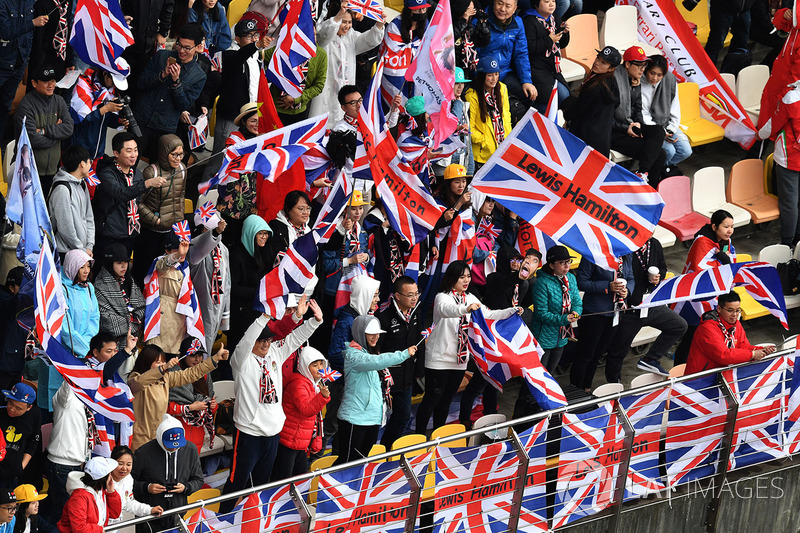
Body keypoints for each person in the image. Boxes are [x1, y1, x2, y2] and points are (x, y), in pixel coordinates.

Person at [218, 297, 323, 514]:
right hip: (249, 433)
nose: (266, 344)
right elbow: (247, 340)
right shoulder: (241, 359)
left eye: (268, 340)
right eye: (261, 341)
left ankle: (256, 518)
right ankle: (223, 518)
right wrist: (264, 317)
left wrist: (314, 321)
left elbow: (294, 338)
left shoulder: (275, 351)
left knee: (263, 483)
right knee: (237, 482)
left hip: (273, 433)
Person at [416, 261, 520, 434]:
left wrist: (511, 311)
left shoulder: (470, 297)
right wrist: (466, 308)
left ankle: (437, 436)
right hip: (439, 359)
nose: (466, 280)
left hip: (460, 359)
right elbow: (447, 310)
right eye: (461, 277)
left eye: (468, 276)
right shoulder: (442, 297)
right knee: (432, 399)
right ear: (451, 278)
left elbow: (488, 314)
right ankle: (419, 437)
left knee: (446, 400)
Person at [605, 238, 687, 381]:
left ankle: (650, 359)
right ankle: (614, 387)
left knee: (679, 325)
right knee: (618, 352)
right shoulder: (625, 245)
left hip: (650, 304)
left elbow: (662, 266)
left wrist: (658, 277)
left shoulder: (654, 243)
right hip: (630, 308)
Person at [336, 315, 416, 464]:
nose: (375, 337)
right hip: (355, 418)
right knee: (347, 462)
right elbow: (377, 362)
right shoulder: (354, 356)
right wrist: (404, 354)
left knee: (361, 460)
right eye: (371, 333)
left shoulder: (373, 352)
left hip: (372, 418)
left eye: (377, 333)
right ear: (360, 332)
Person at [203, 18, 271, 183]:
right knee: (221, 157)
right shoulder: (229, 55)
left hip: (249, 117)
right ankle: (206, 192)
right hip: (231, 117)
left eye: (255, 35)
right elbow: (238, 58)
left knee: (242, 159)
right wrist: (255, 45)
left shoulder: (257, 58)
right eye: (248, 36)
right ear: (238, 39)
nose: (253, 39)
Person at [127, 343, 228, 450]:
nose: (162, 364)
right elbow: (139, 383)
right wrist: (165, 367)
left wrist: (215, 359)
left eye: (163, 361)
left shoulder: (165, 378)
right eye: (158, 362)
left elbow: (190, 374)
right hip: (141, 440)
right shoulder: (135, 378)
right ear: (146, 362)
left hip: (161, 438)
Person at [323, 275, 381, 453]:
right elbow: (335, 353)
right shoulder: (348, 321)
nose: (378, 299)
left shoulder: (361, 316)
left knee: (342, 429)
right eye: (375, 295)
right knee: (332, 425)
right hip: (342, 383)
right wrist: (354, 369)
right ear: (364, 295)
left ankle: (337, 458)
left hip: (352, 383)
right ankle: (314, 459)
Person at [133, 23, 207, 162]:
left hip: (165, 128)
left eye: (187, 47)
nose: (182, 51)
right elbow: (141, 83)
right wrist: (162, 75)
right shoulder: (162, 57)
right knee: (129, 164)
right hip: (142, 119)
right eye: (179, 45)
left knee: (158, 170)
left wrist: (176, 83)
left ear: (197, 47)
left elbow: (183, 105)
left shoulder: (199, 76)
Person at [673, 209, 736, 365]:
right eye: (726, 227)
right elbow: (700, 269)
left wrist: (724, 259)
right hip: (694, 296)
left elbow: (731, 264)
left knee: (702, 335)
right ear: (714, 227)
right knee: (691, 335)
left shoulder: (725, 241)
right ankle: (680, 368)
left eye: (731, 227)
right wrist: (723, 261)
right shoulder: (702, 241)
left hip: (712, 296)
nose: (730, 231)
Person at [94, 132, 167, 258]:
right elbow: (120, 193)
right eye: (129, 151)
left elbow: (138, 200)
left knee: (123, 271)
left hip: (130, 232)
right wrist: (147, 183)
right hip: (111, 233)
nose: (134, 155)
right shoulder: (107, 173)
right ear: (116, 153)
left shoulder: (136, 173)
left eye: (136, 150)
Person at [312, 0, 385, 125]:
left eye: (350, 22)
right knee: (321, 124)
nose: (347, 26)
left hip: (344, 91)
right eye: (343, 22)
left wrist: (379, 24)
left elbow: (368, 40)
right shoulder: (325, 33)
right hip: (326, 91)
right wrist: (340, 14)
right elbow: (325, 34)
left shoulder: (351, 36)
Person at [571, 253, 634, 391]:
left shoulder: (627, 255)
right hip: (595, 312)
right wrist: (607, 286)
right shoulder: (592, 255)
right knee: (586, 353)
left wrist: (627, 290)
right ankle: (576, 389)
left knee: (598, 354)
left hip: (615, 313)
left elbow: (631, 278)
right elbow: (581, 282)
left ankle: (587, 387)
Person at [131, 416, 203, 533]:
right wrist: (147, 487)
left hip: (177, 514)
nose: (174, 449)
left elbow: (198, 479)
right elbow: (129, 483)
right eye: (169, 445)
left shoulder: (190, 450)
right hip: (150, 517)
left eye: (177, 445)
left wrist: (186, 487)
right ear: (160, 438)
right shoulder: (143, 453)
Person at [376, 276, 425, 447]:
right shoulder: (383, 315)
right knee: (377, 419)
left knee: (403, 416)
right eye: (410, 295)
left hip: (407, 376)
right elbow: (376, 349)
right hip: (386, 378)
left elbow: (420, 340)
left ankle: (387, 448)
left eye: (416, 294)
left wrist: (419, 372)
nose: (414, 298)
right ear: (397, 296)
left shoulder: (417, 310)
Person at [133, 134, 188, 282]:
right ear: (164, 153)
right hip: (150, 232)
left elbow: (181, 195)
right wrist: (154, 219)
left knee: (163, 273)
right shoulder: (151, 172)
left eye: (181, 154)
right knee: (143, 270)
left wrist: (179, 218)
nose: (178, 158)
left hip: (170, 231)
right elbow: (137, 202)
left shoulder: (182, 169)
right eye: (174, 154)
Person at [271, 347, 330, 480]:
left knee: (299, 479)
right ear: (304, 366)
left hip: (300, 441)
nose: (320, 368)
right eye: (315, 365)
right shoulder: (298, 384)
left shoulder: (315, 384)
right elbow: (306, 410)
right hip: (289, 441)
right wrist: (322, 397)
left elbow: (316, 416)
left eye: (321, 364)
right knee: (282, 480)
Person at [14, 65, 74, 194]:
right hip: (29, 173)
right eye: (46, 81)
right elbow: (32, 139)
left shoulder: (59, 101)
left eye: (53, 81)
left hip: (53, 171)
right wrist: (57, 135)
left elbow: (69, 129)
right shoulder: (26, 105)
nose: (51, 85)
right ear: (34, 83)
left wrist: (44, 131)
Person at [611, 46, 666, 183]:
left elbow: (637, 109)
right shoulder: (614, 81)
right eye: (639, 65)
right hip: (614, 131)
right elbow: (606, 117)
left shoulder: (636, 80)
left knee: (659, 131)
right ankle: (646, 184)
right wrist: (626, 128)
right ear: (628, 64)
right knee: (660, 154)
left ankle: (642, 173)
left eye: (645, 65)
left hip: (629, 125)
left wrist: (638, 124)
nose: (643, 69)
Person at [685, 291, 776, 374]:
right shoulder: (707, 328)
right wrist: (752, 355)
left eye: (737, 310)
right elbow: (723, 355)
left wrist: (761, 350)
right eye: (730, 310)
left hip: (722, 374)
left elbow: (743, 347)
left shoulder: (736, 324)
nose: (734, 315)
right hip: (701, 379)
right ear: (719, 309)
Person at [477, 0, 537, 120]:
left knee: (529, 95)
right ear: (493, 3)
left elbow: (521, 54)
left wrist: (526, 80)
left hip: (504, 73)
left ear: (515, 8)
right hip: (484, 75)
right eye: (500, 3)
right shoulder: (480, 22)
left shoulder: (518, 23)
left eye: (508, 6)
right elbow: (473, 55)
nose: (502, 9)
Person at [758, 78, 800, 247]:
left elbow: (774, 123)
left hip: (789, 157)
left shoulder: (792, 97)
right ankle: (797, 239)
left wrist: (759, 135)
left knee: (789, 202)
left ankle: (787, 242)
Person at [0, 0, 47, 143]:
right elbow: (5, 32)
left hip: (18, 65)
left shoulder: (30, 3)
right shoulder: (3, 3)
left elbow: (30, 36)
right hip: (3, 64)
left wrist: (25, 57)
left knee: (4, 108)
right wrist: (33, 22)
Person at [529, 245, 582, 373]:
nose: (567, 266)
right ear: (552, 265)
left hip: (562, 335)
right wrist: (564, 319)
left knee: (550, 374)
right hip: (543, 336)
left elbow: (577, 302)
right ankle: (527, 394)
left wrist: (576, 312)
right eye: (562, 263)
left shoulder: (571, 278)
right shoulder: (542, 283)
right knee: (538, 375)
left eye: (568, 262)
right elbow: (541, 313)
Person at [216, 104, 262, 246]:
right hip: (232, 203)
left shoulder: (264, 140)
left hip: (252, 202)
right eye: (253, 121)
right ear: (243, 121)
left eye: (259, 121)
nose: (257, 125)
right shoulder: (234, 140)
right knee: (229, 241)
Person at [563, 46, 620, 156]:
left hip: (585, 141)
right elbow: (617, 104)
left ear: (611, 68)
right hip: (602, 141)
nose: (597, 63)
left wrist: (565, 108)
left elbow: (575, 111)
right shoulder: (611, 82)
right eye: (598, 58)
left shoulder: (596, 87)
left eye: (603, 62)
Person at [142, 233, 194, 354]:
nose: (182, 252)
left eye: (184, 248)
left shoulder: (185, 266)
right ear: (167, 250)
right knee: (157, 357)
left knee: (174, 359)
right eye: (177, 249)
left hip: (180, 317)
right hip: (163, 317)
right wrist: (177, 255)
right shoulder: (160, 262)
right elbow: (162, 265)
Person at [228, 214, 273, 350]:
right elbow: (233, 287)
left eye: (266, 233)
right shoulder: (236, 255)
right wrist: (257, 293)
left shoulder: (262, 253)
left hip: (255, 311)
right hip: (240, 315)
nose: (264, 236)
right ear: (250, 233)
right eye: (260, 233)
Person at [642, 54, 692, 178]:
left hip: (666, 125)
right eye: (652, 73)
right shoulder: (640, 82)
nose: (655, 78)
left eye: (659, 75)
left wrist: (670, 129)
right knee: (669, 151)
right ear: (646, 70)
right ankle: (658, 174)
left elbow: (675, 109)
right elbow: (643, 113)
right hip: (649, 127)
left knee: (685, 151)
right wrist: (661, 132)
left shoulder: (670, 80)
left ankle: (662, 169)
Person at [321, 191, 372, 310]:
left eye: (361, 208)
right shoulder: (333, 231)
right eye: (353, 209)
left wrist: (366, 258)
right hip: (333, 288)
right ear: (345, 209)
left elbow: (367, 256)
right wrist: (349, 261)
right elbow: (325, 264)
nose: (358, 212)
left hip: (354, 288)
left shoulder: (362, 232)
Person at [166, 337, 217, 452]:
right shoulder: (173, 374)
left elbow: (211, 401)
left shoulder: (205, 373)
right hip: (176, 431)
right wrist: (190, 407)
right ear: (183, 355)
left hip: (197, 433)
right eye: (193, 355)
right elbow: (165, 408)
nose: (197, 359)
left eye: (200, 355)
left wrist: (213, 406)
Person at [188, 216, 231, 352]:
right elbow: (198, 251)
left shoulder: (223, 249)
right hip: (199, 304)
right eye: (212, 228)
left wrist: (225, 315)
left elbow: (227, 282)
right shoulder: (193, 246)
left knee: (209, 344)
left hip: (217, 305)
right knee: (197, 346)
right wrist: (215, 233)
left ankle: (205, 373)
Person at [522, 0, 571, 114]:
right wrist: (549, 40)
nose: (551, 4)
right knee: (548, 99)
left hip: (553, 69)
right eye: (546, 1)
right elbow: (530, 48)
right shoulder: (528, 21)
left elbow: (562, 44)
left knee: (565, 96)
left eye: (553, 1)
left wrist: (565, 32)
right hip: (537, 70)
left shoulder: (555, 19)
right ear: (536, 4)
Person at [94, 244, 146, 351]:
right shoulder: (99, 286)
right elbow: (106, 322)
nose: (124, 266)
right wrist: (133, 321)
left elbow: (141, 307)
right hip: (110, 346)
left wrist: (130, 320)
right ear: (109, 263)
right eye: (119, 263)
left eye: (126, 262)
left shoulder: (130, 282)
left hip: (131, 341)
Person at [69, 68, 128, 160]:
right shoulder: (84, 84)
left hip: (97, 152)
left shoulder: (110, 92)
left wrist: (120, 121)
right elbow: (81, 119)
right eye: (113, 80)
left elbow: (105, 119)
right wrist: (106, 108)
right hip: (77, 151)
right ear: (105, 73)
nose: (114, 85)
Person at [48, 145, 95, 259]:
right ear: (82, 164)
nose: (91, 165)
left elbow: (89, 217)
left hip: (83, 251)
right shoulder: (62, 189)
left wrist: (89, 245)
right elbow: (65, 227)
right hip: (65, 252)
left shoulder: (82, 184)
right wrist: (81, 249)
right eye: (90, 162)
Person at [379, 0, 429, 108]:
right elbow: (391, 52)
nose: (422, 12)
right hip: (397, 73)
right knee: (398, 105)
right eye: (418, 9)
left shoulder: (426, 24)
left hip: (417, 74)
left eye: (424, 9)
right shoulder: (395, 26)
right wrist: (411, 51)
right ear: (409, 11)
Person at [466, 55, 511, 169]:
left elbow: (506, 116)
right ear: (482, 76)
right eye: (490, 75)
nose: (494, 78)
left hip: (502, 150)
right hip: (483, 155)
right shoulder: (472, 96)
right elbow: (470, 128)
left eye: (496, 74)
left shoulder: (502, 89)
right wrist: (485, 142)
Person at [263, 44, 327, 125]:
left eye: (313, 34)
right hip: (275, 108)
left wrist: (296, 99)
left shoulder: (320, 54)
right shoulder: (285, 44)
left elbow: (319, 86)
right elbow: (261, 58)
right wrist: (273, 75)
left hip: (300, 111)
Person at [58, 457, 121, 533]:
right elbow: (79, 528)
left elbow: (114, 514)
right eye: (109, 474)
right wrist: (99, 530)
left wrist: (111, 492)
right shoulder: (79, 497)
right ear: (103, 478)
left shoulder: (100, 491)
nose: (111, 477)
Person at [108, 446, 163, 527]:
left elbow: (129, 503)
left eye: (129, 464)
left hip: (115, 526)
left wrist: (149, 509)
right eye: (120, 464)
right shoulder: (102, 480)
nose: (124, 468)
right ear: (111, 462)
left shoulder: (128, 478)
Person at [267, 191, 313, 268]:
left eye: (308, 208)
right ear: (288, 210)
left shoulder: (311, 227)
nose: (306, 212)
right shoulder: (276, 228)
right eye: (301, 209)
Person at [704, 0, 757, 67]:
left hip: (744, 10)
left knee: (741, 45)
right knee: (716, 44)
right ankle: (706, 72)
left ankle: (732, 72)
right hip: (722, 9)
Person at [0, 268, 26, 391]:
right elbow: (12, 305)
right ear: (11, 288)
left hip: (18, 361)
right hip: (5, 365)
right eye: (23, 286)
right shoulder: (4, 300)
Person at [452, 0, 491, 75]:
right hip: (453, 66)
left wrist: (483, 24)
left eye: (472, 9)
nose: (470, 12)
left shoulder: (471, 27)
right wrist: (463, 20)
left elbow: (484, 43)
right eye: (468, 9)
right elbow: (455, 36)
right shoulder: (451, 24)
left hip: (466, 68)